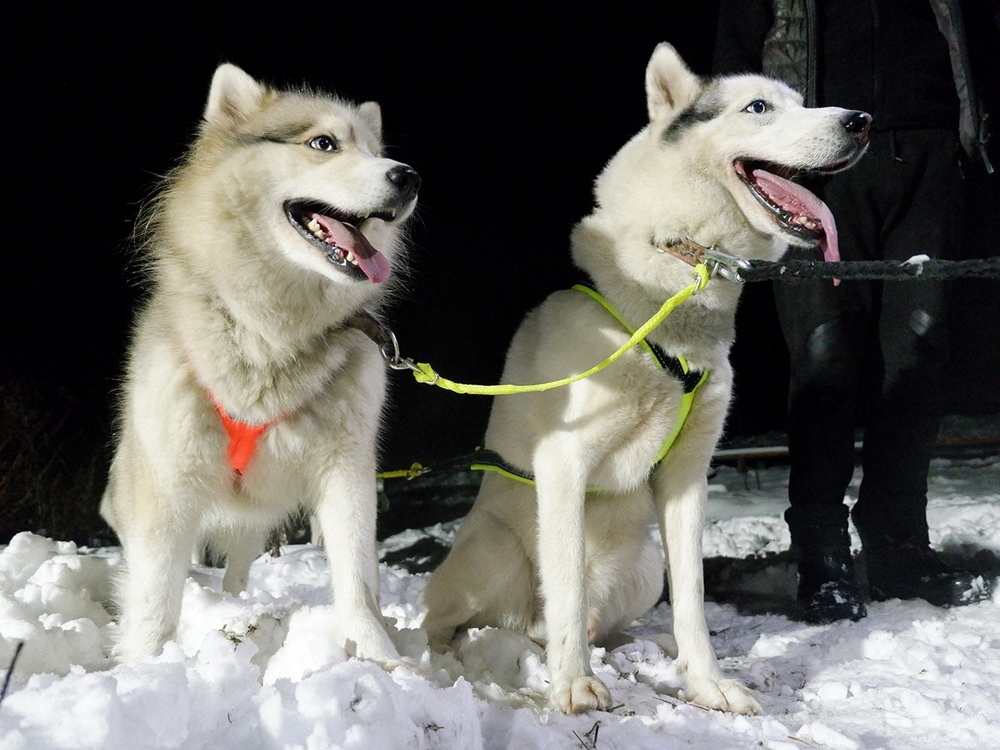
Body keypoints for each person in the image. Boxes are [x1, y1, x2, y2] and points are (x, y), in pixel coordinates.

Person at [713, 0, 997, 623]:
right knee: (825, 355)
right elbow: (731, 71)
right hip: (812, 162)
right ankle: (822, 554)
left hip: (926, 156)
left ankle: (898, 542)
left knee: (919, 353)